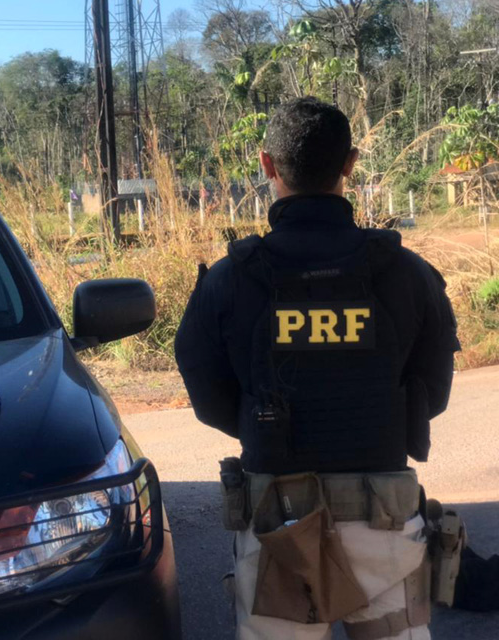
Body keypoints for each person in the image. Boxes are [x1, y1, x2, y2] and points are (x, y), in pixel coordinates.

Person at [174, 97, 460, 640]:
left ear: (267, 166)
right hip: (386, 525)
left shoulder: (231, 280)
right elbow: (435, 392)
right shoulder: (407, 272)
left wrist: (264, 423)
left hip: (278, 526)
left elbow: (207, 395)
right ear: (350, 164)